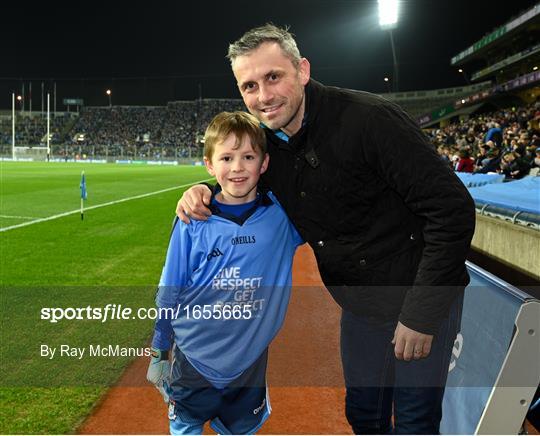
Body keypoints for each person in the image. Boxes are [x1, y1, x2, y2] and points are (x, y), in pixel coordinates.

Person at [177, 24, 476, 434]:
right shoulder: (270, 147)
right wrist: (203, 191)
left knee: (414, 422)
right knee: (364, 417)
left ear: (301, 70)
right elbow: (241, 183)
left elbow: (452, 208)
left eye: (273, 77)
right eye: (249, 86)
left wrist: (421, 315)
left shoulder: (369, 119)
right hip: (362, 304)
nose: (263, 96)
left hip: (418, 289)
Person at [148, 111, 303, 435]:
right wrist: (160, 349)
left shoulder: (282, 217)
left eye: (248, 157)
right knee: (186, 427)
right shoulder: (192, 220)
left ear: (264, 164)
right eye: (227, 157)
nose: (237, 167)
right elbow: (170, 289)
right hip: (194, 361)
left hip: (248, 367)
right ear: (209, 164)